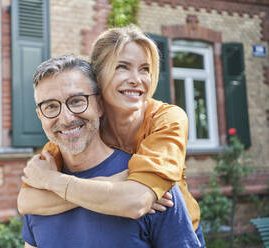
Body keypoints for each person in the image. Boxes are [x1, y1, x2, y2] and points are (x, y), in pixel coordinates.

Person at [19, 25, 205, 246]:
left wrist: (52, 181)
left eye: (145, 69)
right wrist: (114, 182)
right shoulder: (72, 135)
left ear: (95, 102)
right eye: (123, 67)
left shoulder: (167, 119)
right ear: (99, 77)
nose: (136, 79)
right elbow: (26, 202)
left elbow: (136, 200)